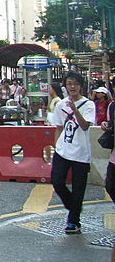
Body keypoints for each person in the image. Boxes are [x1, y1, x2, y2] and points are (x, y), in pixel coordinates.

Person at [50, 72, 96, 234]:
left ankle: (73, 221)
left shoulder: (89, 105)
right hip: (63, 150)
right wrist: (56, 146)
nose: (72, 87)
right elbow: (58, 128)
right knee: (57, 181)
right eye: (69, 84)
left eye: (75, 84)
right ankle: (73, 205)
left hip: (81, 152)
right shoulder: (60, 105)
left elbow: (85, 126)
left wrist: (75, 110)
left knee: (78, 187)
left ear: (81, 86)